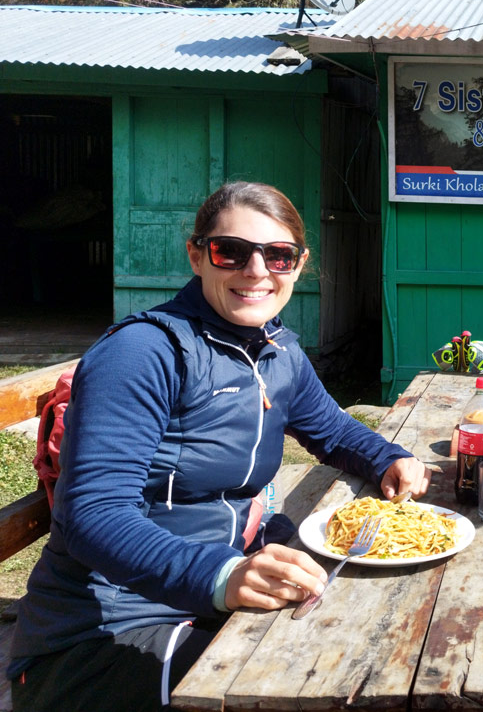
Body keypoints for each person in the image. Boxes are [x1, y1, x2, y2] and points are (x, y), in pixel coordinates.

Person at [8, 181, 432, 711]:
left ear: (298, 266)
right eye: (230, 251)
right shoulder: (143, 353)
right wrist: (222, 575)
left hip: (214, 594)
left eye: (277, 256)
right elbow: (94, 513)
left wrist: (387, 457)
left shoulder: (276, 351)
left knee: (378, 644)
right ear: (197, 255)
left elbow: (334, 431)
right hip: (107, 630)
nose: (256, 271)